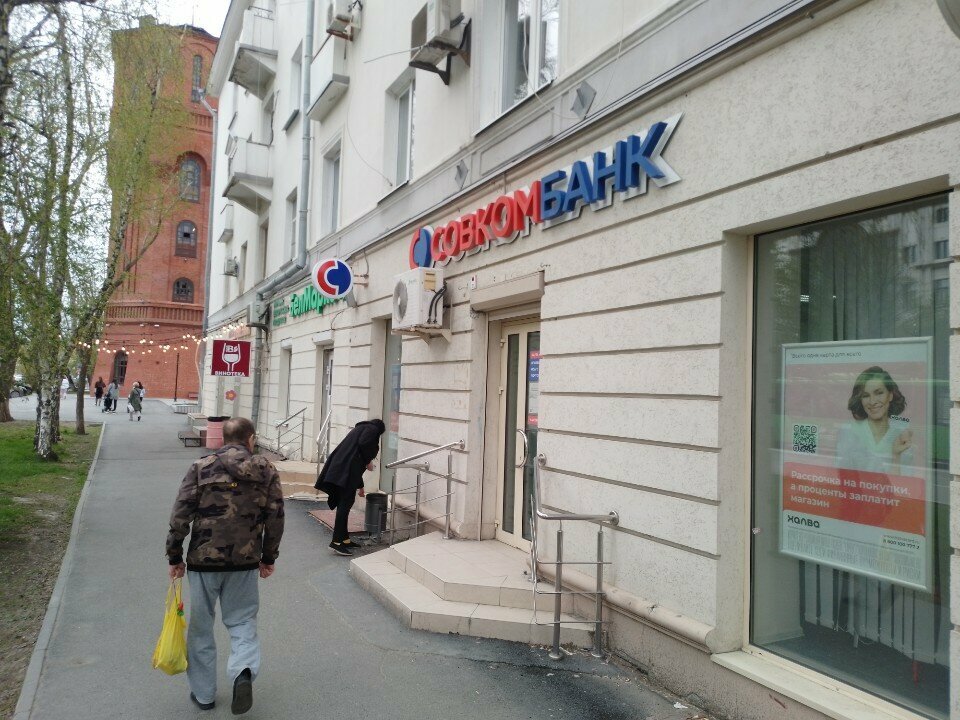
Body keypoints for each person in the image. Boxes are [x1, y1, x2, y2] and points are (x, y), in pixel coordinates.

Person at [166, 417, 284, 715]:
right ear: (251, 439)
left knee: (201, 627)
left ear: (222, 439)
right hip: (244, 561)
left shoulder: (201, 467)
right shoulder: (266, 470)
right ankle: (243, 670)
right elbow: (276, 517)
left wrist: (174, 556)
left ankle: (204, 694)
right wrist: (268, 557)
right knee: (242, 621)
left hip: (203, 561)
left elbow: (181, 514)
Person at [315, 419, 385, 556]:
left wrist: (361, 486)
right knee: (344, 505)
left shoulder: (360, 429)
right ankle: (336, 542)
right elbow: (363, 446)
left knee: (346, 503)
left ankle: (344, 539)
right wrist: (368, 461)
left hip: (342, 471)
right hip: (344, 473)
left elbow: (354, 460)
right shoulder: (372, 429)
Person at [836, 365, 914, 475]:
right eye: (865, 395)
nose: (872, 402)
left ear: (890, 395)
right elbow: (843, 477)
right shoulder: (848, 432)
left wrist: (896, 457)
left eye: (879, 393)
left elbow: (904, 482)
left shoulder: (902, 432)